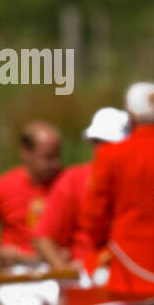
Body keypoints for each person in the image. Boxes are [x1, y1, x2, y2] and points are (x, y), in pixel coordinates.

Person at [80, 82, 154, 299]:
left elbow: (93, 219)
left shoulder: (110, 156)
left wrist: (101, 247)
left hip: (126, 275)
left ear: (130, 115)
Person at [33, 107, 130, 276]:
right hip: (86, 277)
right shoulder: (73, 180)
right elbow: (44, 238)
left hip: (131, 273)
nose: (104, 149)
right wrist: (66, 273)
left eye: (110, 143)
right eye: (98, 142)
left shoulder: (143, 181)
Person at [0, 121, 63, 267]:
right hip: (16, 272)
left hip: (58, 267)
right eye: (48, 158)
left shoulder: (67, 182)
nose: (56, 163)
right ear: (26, 153)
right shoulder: (2, 186)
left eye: (57, 156)